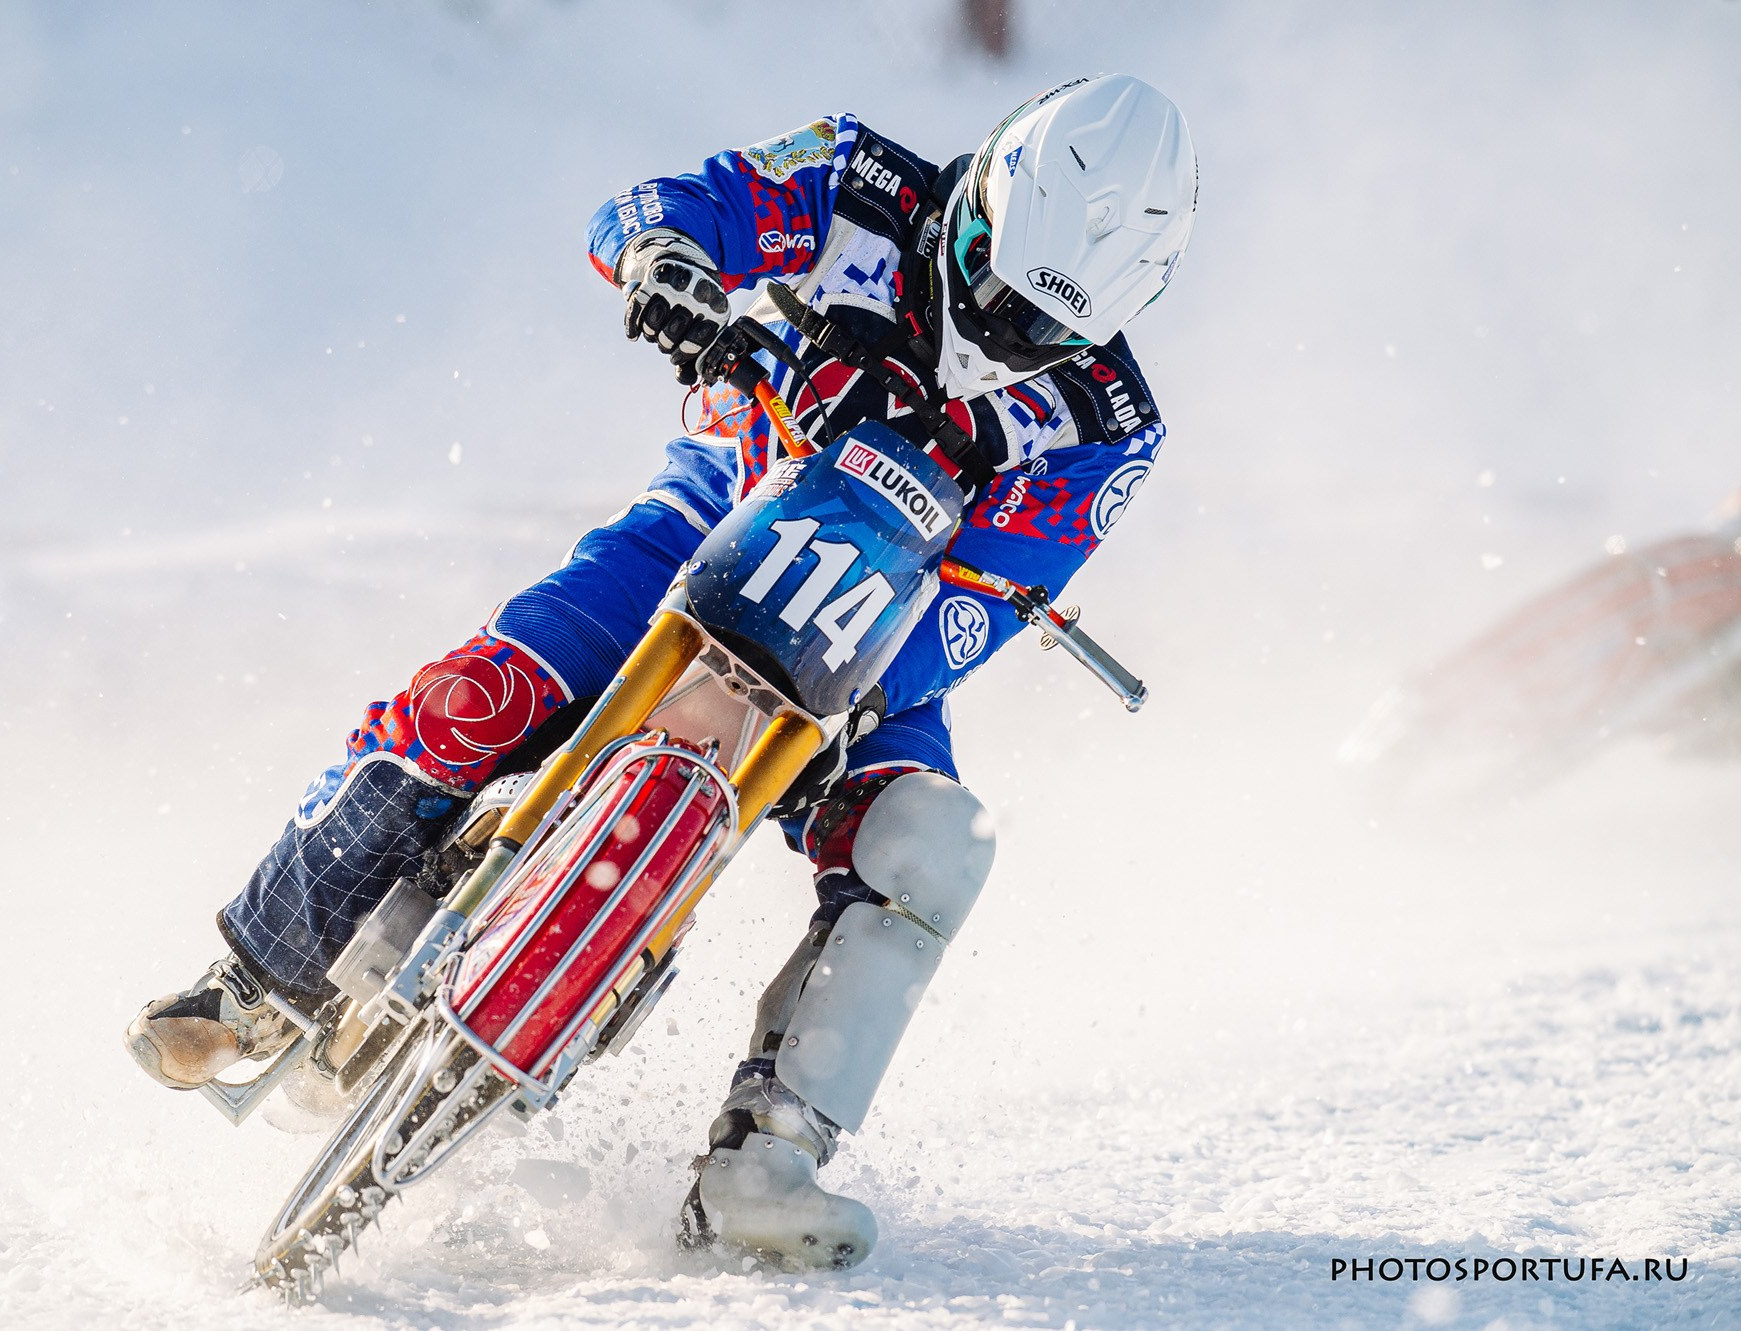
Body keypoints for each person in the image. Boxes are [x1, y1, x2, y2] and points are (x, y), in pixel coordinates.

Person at [125, 72, 1196, 1271]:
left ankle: (765, 1156)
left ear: (1112, 312)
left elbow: (992, 595)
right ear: (981, 187)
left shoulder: (1111, 421)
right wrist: (664, 265)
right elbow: (662, 205)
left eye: (1040, 321)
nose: (998, 316)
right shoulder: (856, 185)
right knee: (478, 692)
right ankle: (259, 974)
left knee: (931, 845)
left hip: (881, 633)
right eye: (989, 268)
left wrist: (881, 688)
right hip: (694, 526)